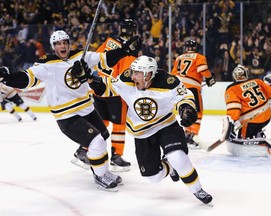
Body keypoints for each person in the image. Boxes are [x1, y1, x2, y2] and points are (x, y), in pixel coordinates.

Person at [0, 30, 142, 191]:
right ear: (54, 47)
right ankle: (101, 176)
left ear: (69, 44)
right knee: (97, 141)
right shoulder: (46, 64)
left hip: (87, 109)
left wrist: (124, 51)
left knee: (103, 135)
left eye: (65, 42)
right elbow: (27, 79)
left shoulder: (80, 56)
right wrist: (9, 78)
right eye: (59, 44)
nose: (63, 46)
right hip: (67, 115)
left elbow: (104, 59)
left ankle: (101, 170)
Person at [85, 55, 213, 205]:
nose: (133, 76)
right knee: (154, 177)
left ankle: (197, 190)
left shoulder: (168, 82)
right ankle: (169, 166)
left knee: (178, 157)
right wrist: (90, 79)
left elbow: (184, 98)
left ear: (148, 75)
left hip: (166, 126)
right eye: (133, 71)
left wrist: (186, 109)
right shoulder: (127, 78)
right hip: (142, 133)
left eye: (137, 73)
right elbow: (107, 87)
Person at [72, 19, 139, 172]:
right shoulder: (129, 52)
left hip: (98, 86)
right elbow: (127, 76)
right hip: (114, 92)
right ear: (133, 32)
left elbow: (95, 58)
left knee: (99, 123)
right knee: (119, 125)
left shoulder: (109, 41)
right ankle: (116, 156)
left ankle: (83, 150)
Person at [221, 64, 271, 158]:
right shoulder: (257, 81)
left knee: (243, 138)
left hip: (251, 121)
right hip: (266, 116)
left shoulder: (232, 89)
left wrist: (231, 123)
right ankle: (258, 133)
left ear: (234, 76)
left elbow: (234, 108)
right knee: (254, 127)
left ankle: (263, 144)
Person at [171, 39, 216, 149]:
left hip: (180, 89)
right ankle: (193, 135)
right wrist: (209, 78)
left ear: (185, 48)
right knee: (198, 112)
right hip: (192, 88)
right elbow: (202, 69)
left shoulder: (179, 58)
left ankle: (186, 134)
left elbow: (173, 74)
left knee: (185, 110)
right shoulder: (199, 57)